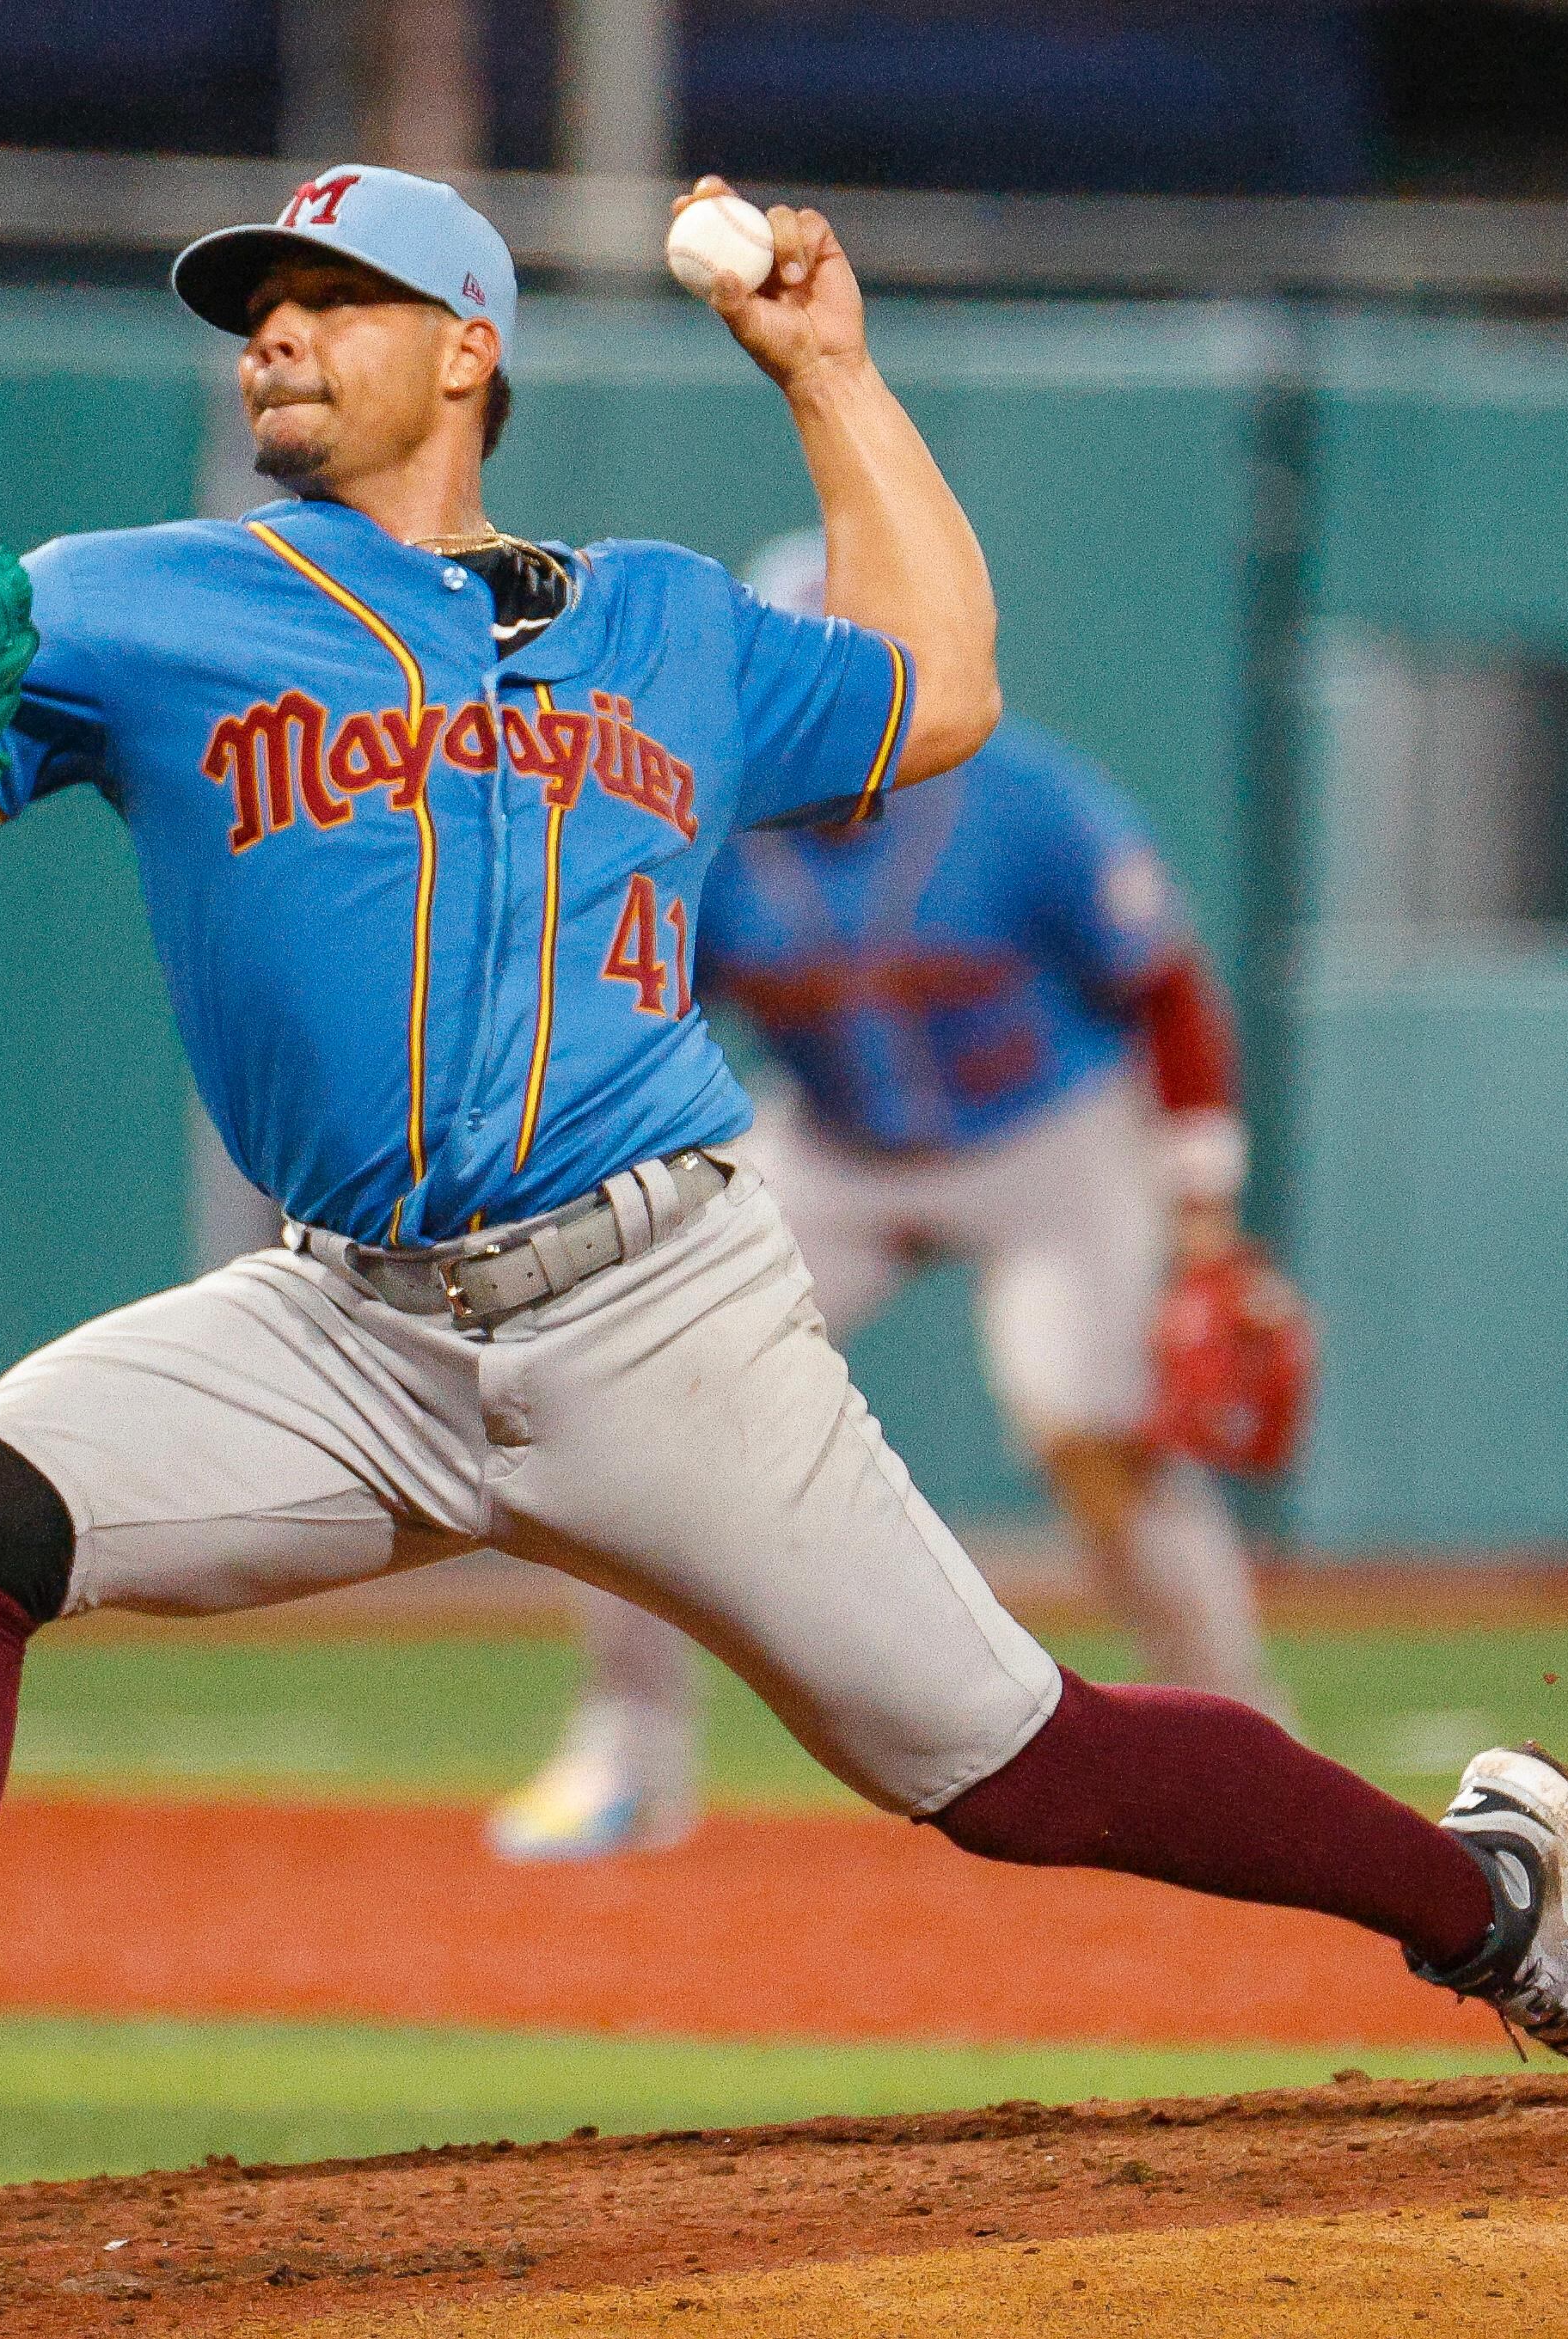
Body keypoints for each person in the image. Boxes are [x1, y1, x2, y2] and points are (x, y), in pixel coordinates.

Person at [0, 164, 1568, 2273]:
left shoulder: (666, 617)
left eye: (332, 296)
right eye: (256, 308)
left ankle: (1495, 1901)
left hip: (665, 1306)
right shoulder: (127, 600)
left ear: (465, 351)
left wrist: (825, 371)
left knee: (1018, 1767)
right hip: (343, 1328)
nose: (275, 334)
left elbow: (942, 681)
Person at [486, 530, 1289, 1863]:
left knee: (1090, 1432)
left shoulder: (1016, 794)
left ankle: (1247, 1750)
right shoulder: (700, 822)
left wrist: (1200, 1207)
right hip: (838, 1145)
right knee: (622, 1381)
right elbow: (639, 1021)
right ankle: (629, 1749)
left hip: (1047, 1144)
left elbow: (1163, 989)